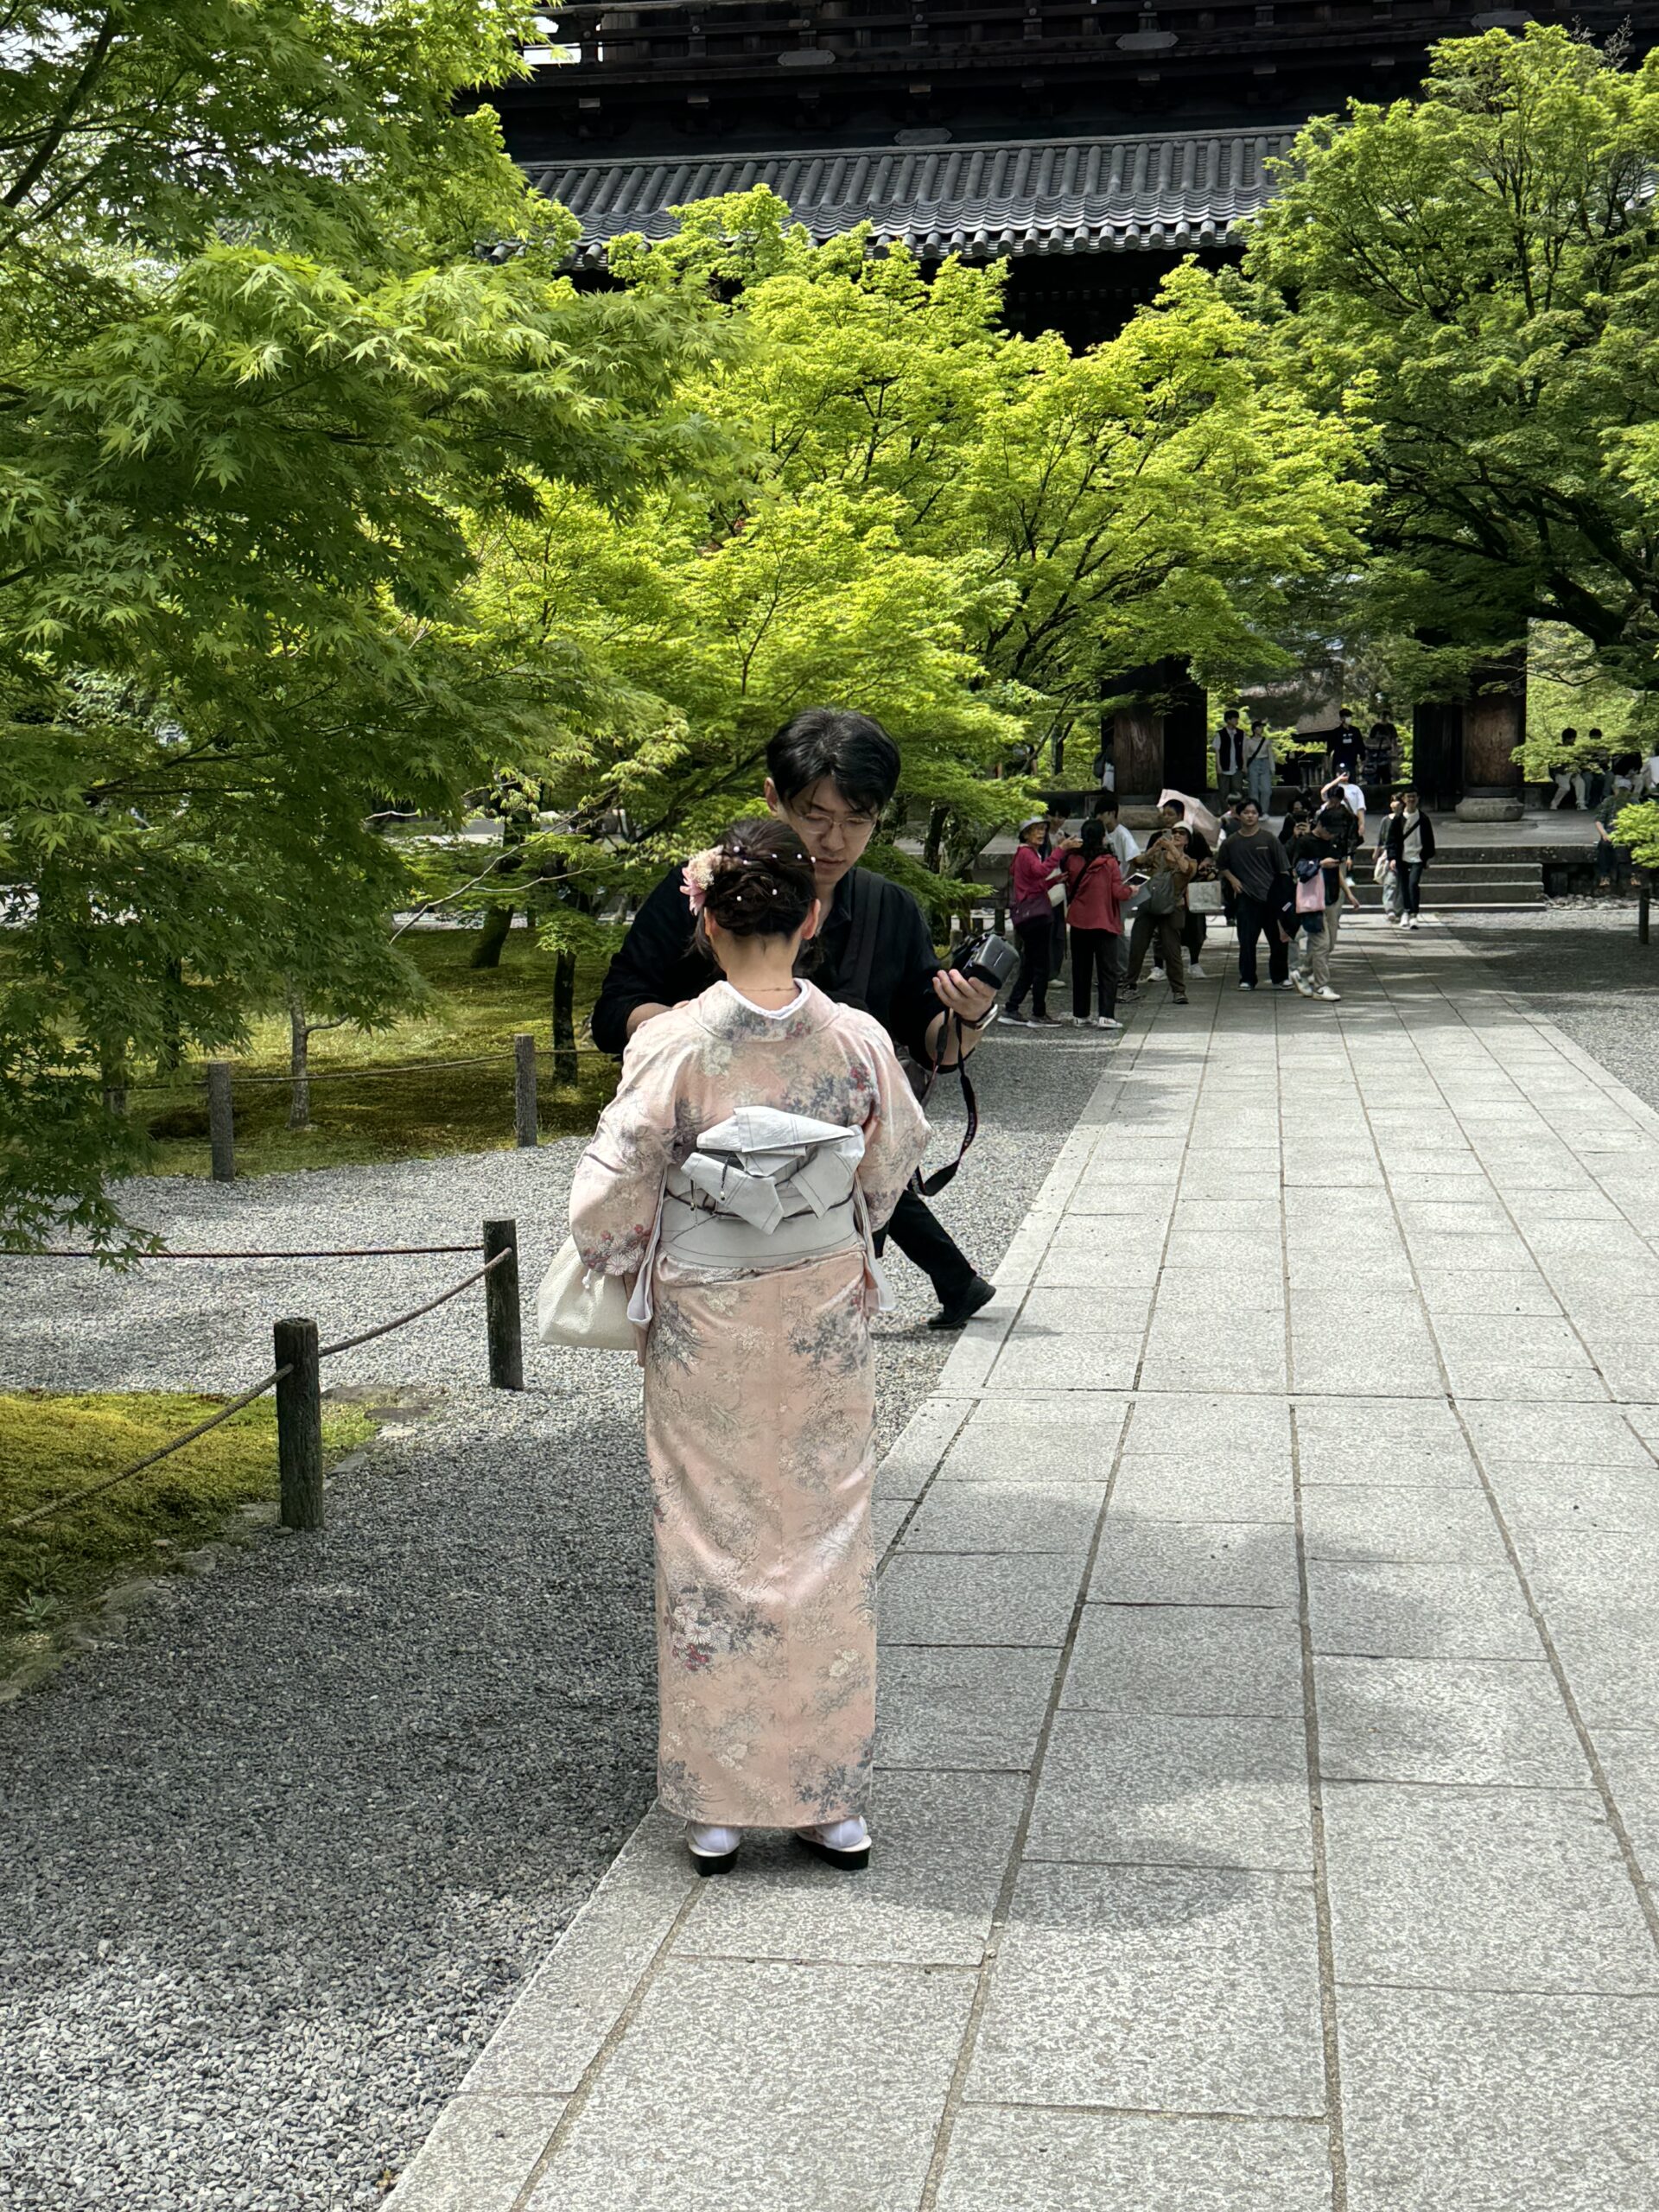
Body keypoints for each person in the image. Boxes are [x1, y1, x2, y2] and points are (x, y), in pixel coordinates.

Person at [569, 819, 930, 1877]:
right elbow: (892, 1155)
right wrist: (832, 1227)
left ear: (705, 918)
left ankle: (721, 1803)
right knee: (824, 1535)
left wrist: (636, 1252)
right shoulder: (857, 1037)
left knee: (711, 1536)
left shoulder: (674, 1041)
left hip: (706, 1318)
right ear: (811, 917)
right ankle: (828, 1799)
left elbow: (609, 1203)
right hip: (818, 1306)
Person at [592, 706, 997, 1330]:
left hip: (827, 1231)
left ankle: (956, 1284)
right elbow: (616, 1006)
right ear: (773, 798)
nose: (834, 842)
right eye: (816, 816)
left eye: (856, 821)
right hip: (708, 1218)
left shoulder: (889, 910)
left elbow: (933, 1046)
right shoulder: (704, 892)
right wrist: (689, 1033)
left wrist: (969, 1017)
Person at [1062, 816, 1131, 1028]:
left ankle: (1080, 1014)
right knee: (1107, 971)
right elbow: (1118, 892)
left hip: (1079, 921)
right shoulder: (1109, 862)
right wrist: (1132, 890)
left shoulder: (1072, 860)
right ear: (1102, 837)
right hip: (1103, 922)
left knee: (1081, 969)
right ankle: (1106, 1015)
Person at [1220, 798, 1292, 990]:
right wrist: (1233, 879)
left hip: (1272, 897)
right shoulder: (1231, 842)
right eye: (1246, 813)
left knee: (1278, 940)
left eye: (1254, 812)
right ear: (1238, 815)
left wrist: (1285, 897)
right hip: (1246, 898)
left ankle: (1280, 977)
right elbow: (1222, 866)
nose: (1250, 816)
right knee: (1247, 941)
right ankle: (1247, 978)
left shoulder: (1269, 839)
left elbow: (1283, 869)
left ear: (1258, 815)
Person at [1004, 815, 1066, 1027]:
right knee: (1041, 966)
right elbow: (1040, 872)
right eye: (1035, 829)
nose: (1040, 833)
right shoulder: (1027, 853)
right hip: (1036, 917)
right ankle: (1038, 1013)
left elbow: (1035, 884)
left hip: (1029, 915)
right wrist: (1061, 850)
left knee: (1030, 965)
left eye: (1042, 829)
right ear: (1025, 834)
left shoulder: (1029, 853)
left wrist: (1056, 880)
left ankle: (1012, 1007)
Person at [1123, 823, 1195, 1005]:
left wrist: (1173, 850)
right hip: (1149, 905)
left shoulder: (1190, 860)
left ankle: (1179, 990)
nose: (1177, 835)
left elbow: (1187, 870)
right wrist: (1154, 848)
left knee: (1172, 951)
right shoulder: (1158, 855)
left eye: (1182, 833)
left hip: (1172, 908)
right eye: (1175, 832)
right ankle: (1129, 986)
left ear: (1187, 840)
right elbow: (1138, 862)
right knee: (1137, 946)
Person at [1288, 806, 1345, 1001]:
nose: (1331, 836)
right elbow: (1299, 870)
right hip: (1313, 901)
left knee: (1325, 944)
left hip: (1331, 897)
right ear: (1320, 824)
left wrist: (1348, 894)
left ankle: (1302, 972)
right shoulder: (1305, 842)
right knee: (1321, 944)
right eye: (1329, 831)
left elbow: (1338, 870)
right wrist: (1320, 864)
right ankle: (1321, 986)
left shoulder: (1334, 842)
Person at [1384, 785, 1436, 928]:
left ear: (1418, 799)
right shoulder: (1398, 819)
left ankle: (1414, 913)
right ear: (1404, 799)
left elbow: (1429, 840)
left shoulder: (1423, 818)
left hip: (1418, 857)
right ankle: (1405, 912)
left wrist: (1427, 858)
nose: (1411, 799)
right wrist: (1392, 857)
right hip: (1402, 857)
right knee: (1404, 886)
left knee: (1413, 884)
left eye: (1414, 796)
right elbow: (1392, 840)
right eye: (1409, 797)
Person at [1593, 769, 1637, 894]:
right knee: (1603, 845)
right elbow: (1599, 820)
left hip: (1629, 833)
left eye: (1625, 789)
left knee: (1637, 845)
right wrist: (1604, 834)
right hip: (1611, 833)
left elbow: (1639, 820)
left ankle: (1635, 875)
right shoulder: (1608, 801)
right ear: (1615, 789)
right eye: (1620, 789)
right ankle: (1604, 876)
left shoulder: (1634, 802)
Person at [1375, 791, 1406, 921]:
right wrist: (1377, 851)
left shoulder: (1407, 818)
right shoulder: (1386, 820)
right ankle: (1390, 908)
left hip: (1405, 852)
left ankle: (1399, 909)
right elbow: (1381, 837)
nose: (1393, 804)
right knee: (1390, 881)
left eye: (1396, 800)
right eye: (1392, 801)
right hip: (1389, 852)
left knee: (1402, 882)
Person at [1243, 714, 1276, 814]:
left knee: (1266, 790)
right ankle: (1255, 811)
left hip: (1264, 763)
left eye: (1262, 728)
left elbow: (1270, 755)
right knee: (1253, 790)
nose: (1260, 729)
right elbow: (1245, 755)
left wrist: (1272, 768)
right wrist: (1244, 767)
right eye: (1259, 727)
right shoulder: (1248, 741)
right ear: (1254, 729)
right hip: (1253, 763)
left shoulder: (1266, 741)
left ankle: (1264, 811)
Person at [1215, 705, 1248, 804]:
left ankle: (1238, 813)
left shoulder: (1241, 733)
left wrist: (1245, 765)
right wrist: (1218, 766)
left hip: (1237, 767)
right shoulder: (1220, 734)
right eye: (1235, 719)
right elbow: (1217, 751)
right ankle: (1225, 814)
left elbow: (1244, 750)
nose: (1237, 721)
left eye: (1237, 718)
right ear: (1228, 720)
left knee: (1238, 791)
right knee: (1224, 792)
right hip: (1224, 766)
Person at [1325, 706, 1365, 782]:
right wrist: (1327, 766)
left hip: (1352, 762)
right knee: (1339, 784)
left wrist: (1362, 761)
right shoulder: (1335, 733)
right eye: (1346, 716)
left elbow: (1361, 747)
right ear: (1341, 718)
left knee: (1352, 783)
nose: (1348, 718)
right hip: (1339, 762)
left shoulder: (1355, 731)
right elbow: (1329, 750)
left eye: (1349, 716)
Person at [1364, 714, 1400, 788]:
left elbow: (1366, 752)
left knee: (1379, 783)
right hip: (1380, 763)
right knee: (1382, 782)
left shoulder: (1390, 727)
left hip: (1378, 763)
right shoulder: (1378, 729)